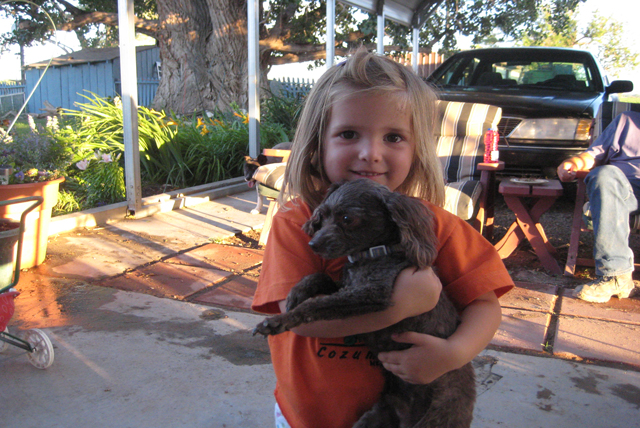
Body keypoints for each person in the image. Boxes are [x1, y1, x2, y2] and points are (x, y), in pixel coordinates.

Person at [251, 48, 514, 428]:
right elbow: (300, 319)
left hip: (412, 414)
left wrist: (452, 354)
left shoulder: (436, 225)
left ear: (417, 149)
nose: (371, 153)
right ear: (317, 144)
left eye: (393, 137)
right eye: (348, 134)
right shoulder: (298, 224)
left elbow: (485, 305)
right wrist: (397, 307)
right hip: (310, 416)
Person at [557, 110, 640, 303]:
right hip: (625, 190)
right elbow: (593, 155)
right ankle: (616, 276)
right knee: (604, 174)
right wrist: (572, 163)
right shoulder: (626, 121)